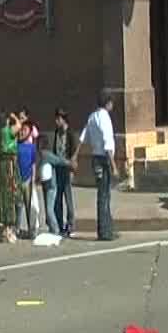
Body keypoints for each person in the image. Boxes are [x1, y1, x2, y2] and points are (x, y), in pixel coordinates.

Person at [76, 92, 117, 240]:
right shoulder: (104, 117)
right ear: (108, 103)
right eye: (111, 102)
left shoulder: (92, 117)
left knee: (101, 194)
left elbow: (83, 137)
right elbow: (107, 143)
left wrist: (75, 154)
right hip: (104, 158)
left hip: (95, 158)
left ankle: (104, 229)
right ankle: (105, 231)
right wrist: (114, 165)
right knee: (105, 195)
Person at [50, 108, 77, 236]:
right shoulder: (57, 132)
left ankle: (70, 224)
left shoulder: (70, 133)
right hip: (58, 167)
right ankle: (59, 224)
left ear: (63, 119)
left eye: (58, 119)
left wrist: (72, 170)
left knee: (68, 197)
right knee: (57, 197)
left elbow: (73, 152)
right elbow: (54, 150)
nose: (56, 121)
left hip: (67, 168)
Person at [0, 112, 21, 243]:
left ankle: (6, 228)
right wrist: (14, 117)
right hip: (9, 164)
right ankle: (9, 229)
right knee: (10, 194)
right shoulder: (7, 131)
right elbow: (19, 125)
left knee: (4, 196)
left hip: (2, 164)